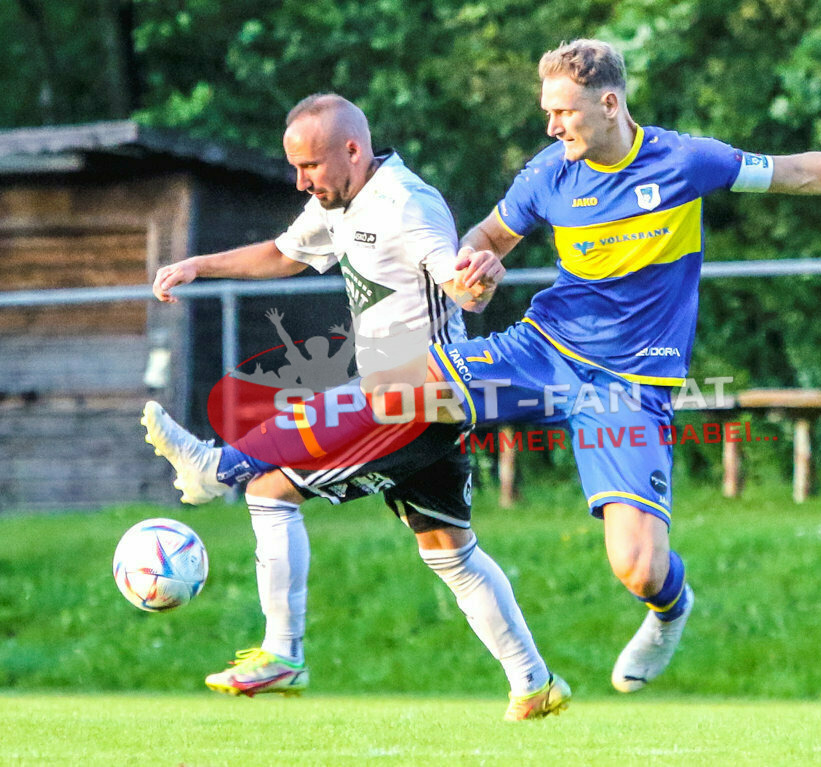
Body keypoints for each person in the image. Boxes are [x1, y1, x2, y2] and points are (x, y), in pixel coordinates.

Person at [152, 40, 821, 691]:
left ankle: (669, 611)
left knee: (637, 566)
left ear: (609, 104)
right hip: (541, 353)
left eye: (562, 112)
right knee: (408, 386)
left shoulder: (684, 162)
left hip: (630, 386)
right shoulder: (549, 173)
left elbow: (795, 170)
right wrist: (472, 270)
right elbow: (483, 243)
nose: (549, 127)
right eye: (547, 112)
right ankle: (232, 459)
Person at [144, 93, 570, 721]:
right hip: (416, 404)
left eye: (310, 166)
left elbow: (455, 278)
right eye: (295, 169)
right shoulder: (337, 202)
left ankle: (281, 645)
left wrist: (473, 282)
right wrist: (197, 266)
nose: (301, 182)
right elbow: (284, 253)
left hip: (418, 399)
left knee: (270, 486)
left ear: (353, 149)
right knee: (450, 550)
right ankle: (535, 683)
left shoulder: (406, 203)